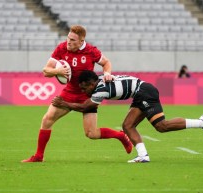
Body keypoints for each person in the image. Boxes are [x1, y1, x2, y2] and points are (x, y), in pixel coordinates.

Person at [52, 70, 203, 163]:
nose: (83, 91)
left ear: (91, 83)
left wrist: (64, 103)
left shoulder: (100, 89)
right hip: (140, 92)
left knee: (161, 126)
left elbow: (86, 106)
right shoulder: (101, 80)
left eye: (84, 88)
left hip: (144, 91)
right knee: (128, 125)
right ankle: (143, 156)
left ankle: (202, 122)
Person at [22, 25, 132, 162]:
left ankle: (120, 136)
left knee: (91, 134)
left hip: (88, 95)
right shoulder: (61, 48)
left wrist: (107, 74)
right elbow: (46, 70)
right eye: (68, 38)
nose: (69, 42)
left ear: (81, 41)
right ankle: (39, 156)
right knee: (47, 120)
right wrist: (58, 72)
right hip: (69, 92)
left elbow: (106, 62)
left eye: (73, 40)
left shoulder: (91, 51)